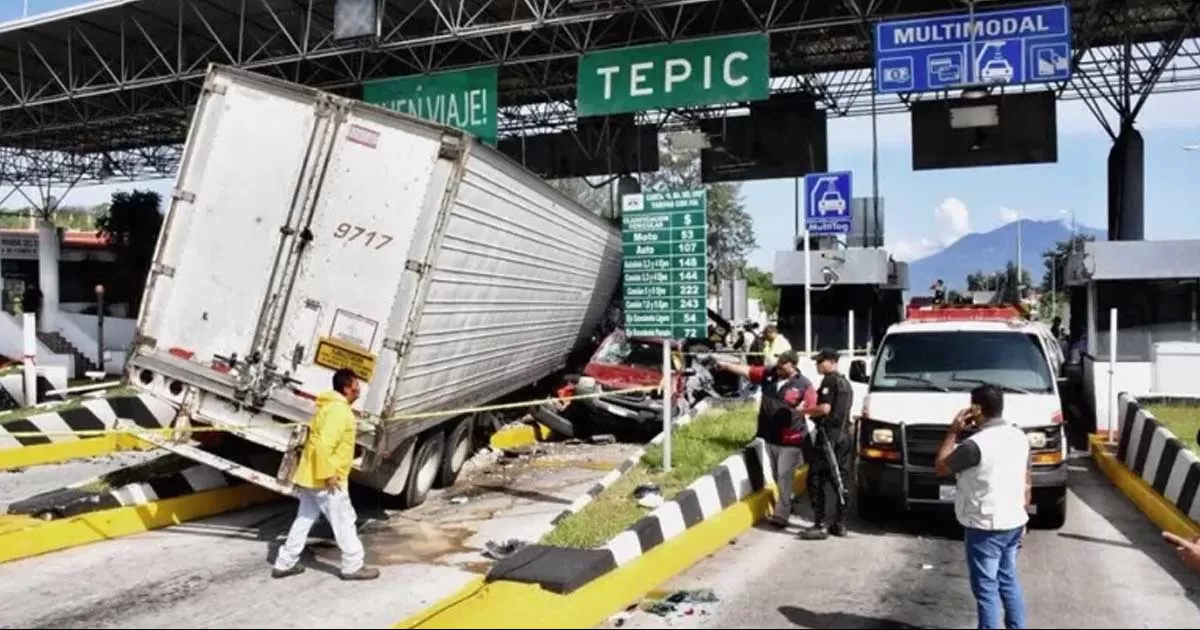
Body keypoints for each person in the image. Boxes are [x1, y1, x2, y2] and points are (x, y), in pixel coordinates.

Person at [935, 384, 1030, 630]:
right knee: (1007, 580)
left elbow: (941, 466)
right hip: (1014, 520)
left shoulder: (975, 445)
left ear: (976, 410)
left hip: (986, 525)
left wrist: (953, 432)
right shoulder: (1019, 436)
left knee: (986, 589)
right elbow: (1027, 479)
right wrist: (1024, 515)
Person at [272, 368, 380, 581]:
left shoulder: (329, 406)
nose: (359, 389)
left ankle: (284, 563)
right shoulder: (339, 411)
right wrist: (329, 475)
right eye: (356, 385)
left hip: (311, 476)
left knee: (304, 519)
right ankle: (353, 565)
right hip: (326, 480)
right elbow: (323, 444)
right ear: (347, 388)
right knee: (345, 520)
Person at [708, 350, 816, 527]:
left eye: (782, 366)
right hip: (769, 435)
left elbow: (813, 406)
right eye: (778, 365)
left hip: (791, 438)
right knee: (776, 474)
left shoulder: (804, 385)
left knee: (783, 475)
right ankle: (788, 500)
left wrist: (803, 411)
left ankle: (782, 515)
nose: (778, 369)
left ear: (792, 365)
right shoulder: (769, 375)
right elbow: (748, 371)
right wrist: (726, 365)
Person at [798, 348, 854, 540]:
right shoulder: (846, 383)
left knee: (815, 480)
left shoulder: (829, 381)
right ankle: (840, 524)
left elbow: (824, 408)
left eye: (820, 362)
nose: (817, 365)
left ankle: (820, 524)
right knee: (840, 480)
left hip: (829, 438)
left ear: (831, 361)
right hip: (844, 437)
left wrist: (803, 411)